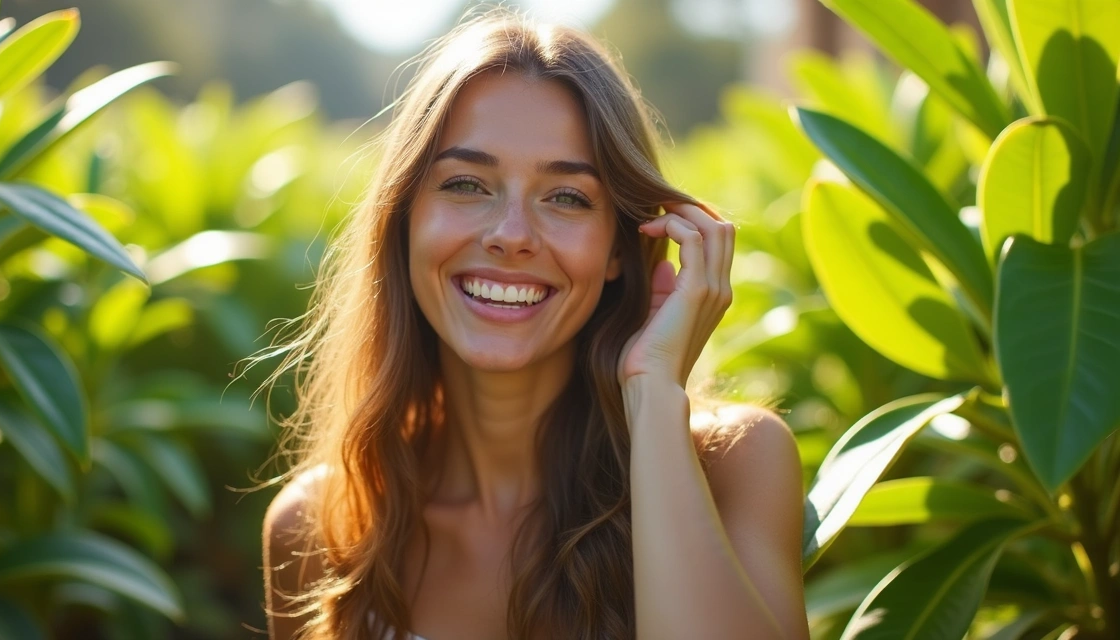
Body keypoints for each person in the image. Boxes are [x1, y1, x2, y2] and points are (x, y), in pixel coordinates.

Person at [261, 9, 806, 639]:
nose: (511, 236)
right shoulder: (318, 528)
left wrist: (654, 393)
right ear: (404, 220)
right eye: (467, 184)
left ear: (617, 251)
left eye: (567, 196)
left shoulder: (732, 466)